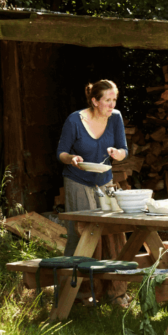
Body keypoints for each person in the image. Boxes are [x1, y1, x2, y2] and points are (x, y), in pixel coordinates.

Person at [56, 80, 128, 256]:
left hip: (105, 180)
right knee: (81, 233)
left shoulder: (116, 117)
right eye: (107, 100)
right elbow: (61, 153)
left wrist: (117, 154)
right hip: (78, 180)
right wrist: (72, 158)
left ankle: (110, 280)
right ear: (95, 101)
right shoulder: (75, 120)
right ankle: (72, 280)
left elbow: (124, 150)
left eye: (114, 100)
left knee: (112, 233)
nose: (112, 105)